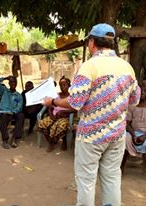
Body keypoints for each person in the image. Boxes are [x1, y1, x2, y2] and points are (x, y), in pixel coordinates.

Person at [43, 23, 141, 205]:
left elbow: (75, 102)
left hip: (91, 136)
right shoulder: (126, 67)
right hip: (116, 135)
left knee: (86, 181)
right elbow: (134, 99)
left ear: (92, 42)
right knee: (112, 178)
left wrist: (53, 102)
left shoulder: (89, 67)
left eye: (89, 41)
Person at [38, 76, 73, 152]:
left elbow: (74, 109)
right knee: (41, 124)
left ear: (69, 85)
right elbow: (50, 107)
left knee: (60, 126)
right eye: (60, 85)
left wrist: (63, 112)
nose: (62, 87)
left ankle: (62, 141)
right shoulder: (56, 95)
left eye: (64, 85)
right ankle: (51, 142)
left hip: (64, 117)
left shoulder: (71, 97)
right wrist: (51, 115)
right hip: (54, 115)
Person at [0, 75, 24, 149]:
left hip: (13, 112)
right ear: (9, 83)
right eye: (11, 82)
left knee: (21, 115)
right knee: (3, 117)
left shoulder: (18, 96)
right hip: (4, 112)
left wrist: (13, 111)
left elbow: (19, 106)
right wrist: (5, 78)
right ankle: (5, 140)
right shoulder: (4, 91)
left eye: (14, 82)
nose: (13, 83)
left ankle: (14, 138)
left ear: (16, 83)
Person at [121, 92, 146, 173]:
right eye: (142, 89)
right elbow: (127, 124)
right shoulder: (132, 106)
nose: (143, 92)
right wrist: (133, 135)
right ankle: (121, 167)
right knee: (125, 138)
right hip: (133, 132)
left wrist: (144, 136)